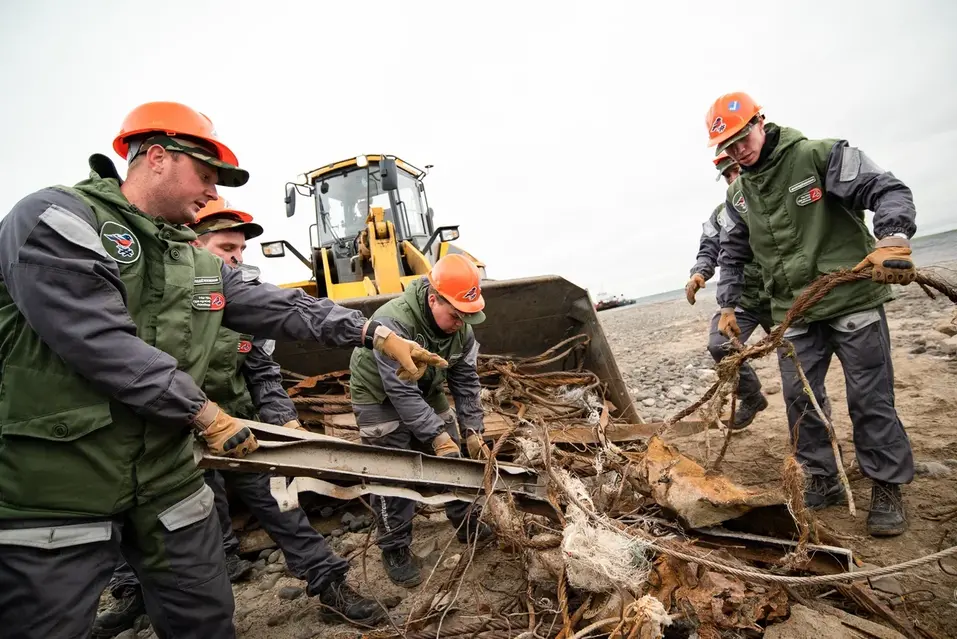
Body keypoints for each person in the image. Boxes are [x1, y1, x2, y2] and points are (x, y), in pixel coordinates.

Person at [0, 101, 444, 638]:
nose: (212, 193)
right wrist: (203, 411)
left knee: (206, 620)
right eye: (205, 176)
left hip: (167, 474)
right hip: (59, 482)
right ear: (157, 157)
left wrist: (376, 332)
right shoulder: (58, 220)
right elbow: (98, 342)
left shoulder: (199, 263)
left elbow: (283, 307)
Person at [92, 199, 386, 637]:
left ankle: (330, 586)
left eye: (241, 251)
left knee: (280, 505)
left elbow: (263, 373)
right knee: (160, 521)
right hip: (170, 434)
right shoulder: (156, 304)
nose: (237, 257)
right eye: (227, 247)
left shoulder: (246, 309)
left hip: (239, 428)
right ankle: (135, 594)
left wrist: (285, 421)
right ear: (194, 246)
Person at [707, 91, 917, 537]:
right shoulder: (740, 195)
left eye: (744, 136)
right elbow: (733, 251)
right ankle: (822, 478)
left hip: (851, 300)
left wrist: (893, 236)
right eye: (730, 146)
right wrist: (727, 303)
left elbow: (887, 188)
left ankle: (886, 485)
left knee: (870, 397)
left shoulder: (818, 156)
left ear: (761, 123)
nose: (740, 149)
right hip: (794, 311)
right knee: (800, 399)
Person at [349, 254, 495, 587]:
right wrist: (434, 436)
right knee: (393, 470)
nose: (461, 323)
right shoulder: (394, 322)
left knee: (455, 451)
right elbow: (401, 392)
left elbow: (466, 382)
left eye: (467, 316)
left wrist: (472, 431)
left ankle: (465, 520)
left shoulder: (463, 331)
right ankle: (394, 548)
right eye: (455, 315)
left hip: (425, 386)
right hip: (379, 395)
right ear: (433, 299)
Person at [685, 153, 771, 429]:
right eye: (727, 175)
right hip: (742, 298)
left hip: (780, 297)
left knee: (798, 365)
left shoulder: (775, 201)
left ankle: (814, 439)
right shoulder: (721, 213)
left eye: (736, 170)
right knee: (719, 344)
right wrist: (699, 273)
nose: (733, 179)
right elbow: (708, 248)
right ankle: (751, 395)